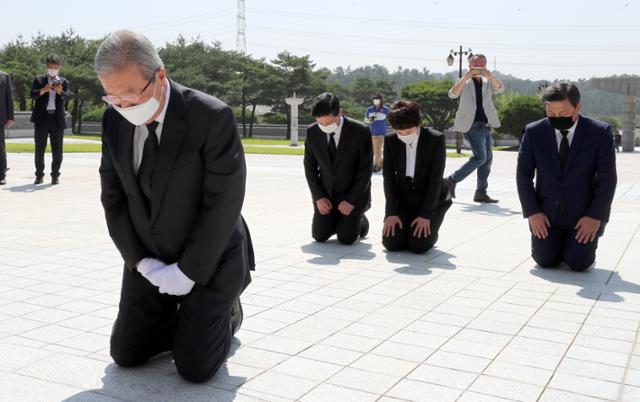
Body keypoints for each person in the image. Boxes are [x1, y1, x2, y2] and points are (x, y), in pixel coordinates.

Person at [95, 30, 254, 383]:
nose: (123, 106)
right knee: (127, 354)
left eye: (131, 95)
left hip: (209, 256)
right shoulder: (114, 120)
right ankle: (179, 319)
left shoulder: (210, 116)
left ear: (160, 76)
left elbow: (223, 204)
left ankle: (226, 312)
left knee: (195, 368)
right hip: (150, 255)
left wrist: (187, 272)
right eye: (113, 97)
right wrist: (140, 261)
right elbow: (114, 197)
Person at [517, 82, 617, 272]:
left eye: (562, 114)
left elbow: (607, 179)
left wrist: (595, 217)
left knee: (579, 263)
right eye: (551, 113)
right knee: (545, 260)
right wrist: (532, 212)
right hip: (546, 214)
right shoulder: (533, 132)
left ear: (577, 107)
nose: (556, 118)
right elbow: (523, 175)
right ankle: (558, 244)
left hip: (583, 215)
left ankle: (574, 246)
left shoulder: (600, 132)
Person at [382, 100, 452, 254]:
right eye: (399, 132)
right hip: (405, 198)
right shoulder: (390, 140)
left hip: (430, 197)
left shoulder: (435, 139)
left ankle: (432, 226)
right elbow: (388, 178)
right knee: (391, 244)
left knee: (419, 246)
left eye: (407, 132)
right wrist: (391, 213)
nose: (403, 135)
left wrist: (426, 215)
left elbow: (436, 179)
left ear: (418, 124)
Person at [304, 92, 372, 245]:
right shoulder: (312, 131)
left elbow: (365, 171)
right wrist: (318, 197)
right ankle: (339, 220)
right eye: (320, 123)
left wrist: (351, 200)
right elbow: (310, 167)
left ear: (340, 113)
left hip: (352, 195)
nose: (324, 127)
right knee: (319, 236)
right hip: (326, 194)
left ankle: (360, 219)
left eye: (328, 123)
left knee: (346, 238)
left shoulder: (360, 131)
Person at [445, 54, 504, 203]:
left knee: (487, 160)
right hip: (471, 125)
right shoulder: (464, 81)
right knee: (480, 158)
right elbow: (452, 94)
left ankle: (480, 193)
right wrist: (465, 78)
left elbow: (500, 88)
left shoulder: (487, 80)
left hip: (485, 125)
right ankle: (451, 180)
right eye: (476, 65)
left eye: (482, 65)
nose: (479, 67)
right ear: (470, 66)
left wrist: (492, 77)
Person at [30, 54, 69, 185]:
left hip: (57, 119)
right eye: (50, 67)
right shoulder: (39, 79)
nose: (53, 70)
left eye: (55, 67)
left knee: (57, 150)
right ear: (46, 67)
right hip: (42, 119)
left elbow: (66, 97)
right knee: (39, 149)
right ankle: (39, 175)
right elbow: (32, 95)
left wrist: (60, 92)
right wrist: (42, 90)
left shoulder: (64, 82)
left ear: (59, 67)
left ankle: (55, 176)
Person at [365, 94, 389, 172]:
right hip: (373, 131)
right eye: (374, 99)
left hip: (382, 131)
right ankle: (380, 163)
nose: (376, 100)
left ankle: (375, 165)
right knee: (375, 149)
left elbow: (390, 119)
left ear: (381, 100)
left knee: (378, 149)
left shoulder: (385, 109)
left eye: (377, 99)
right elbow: (366, 121)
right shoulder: (370, 109)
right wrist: (371, 119)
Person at [0, 69, 14, 185]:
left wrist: (11, 117)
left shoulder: (4, 76)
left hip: (0, 118)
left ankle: (1, 175)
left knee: (0, 147)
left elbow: (9, 98)